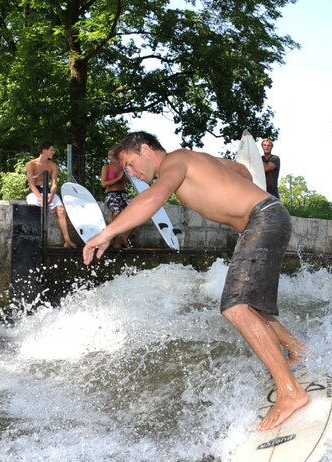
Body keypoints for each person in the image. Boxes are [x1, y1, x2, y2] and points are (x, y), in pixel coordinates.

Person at [82, 131, 308, 431]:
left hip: (262, 219)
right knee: (251, 302)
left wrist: (105, 233)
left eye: (130, 163)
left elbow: (153, 198)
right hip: (269, 216)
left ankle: (291, 393)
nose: (131, 173)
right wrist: (237, 193)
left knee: (236, 307)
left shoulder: (174, 161)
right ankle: (298, 350)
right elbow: (241, 170)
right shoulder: (192, 159)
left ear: (147, 150)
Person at [25, 140, 76, 248]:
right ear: (44, 150)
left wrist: (52, 196)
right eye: (52, 150)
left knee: (61, 210)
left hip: (48, 192)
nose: (53, 152)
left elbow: (54, 183)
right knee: (34, 211)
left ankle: (67, 241)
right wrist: (39, 198)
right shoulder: (31, 164)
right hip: (35, 193)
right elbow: (31, 184)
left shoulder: (53, 165)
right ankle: (34, 242)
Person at [99, 145, 135, 248]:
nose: (110, 157)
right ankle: (114, 240)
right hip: (111, 194)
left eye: (112, 155)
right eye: (109, 155)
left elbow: (132, 180)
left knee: (138, 213)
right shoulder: (106, 167)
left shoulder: (124, 166)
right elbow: (103, 184)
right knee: (117, 212)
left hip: (123, 194)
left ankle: (125, 237)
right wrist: (118, 178)